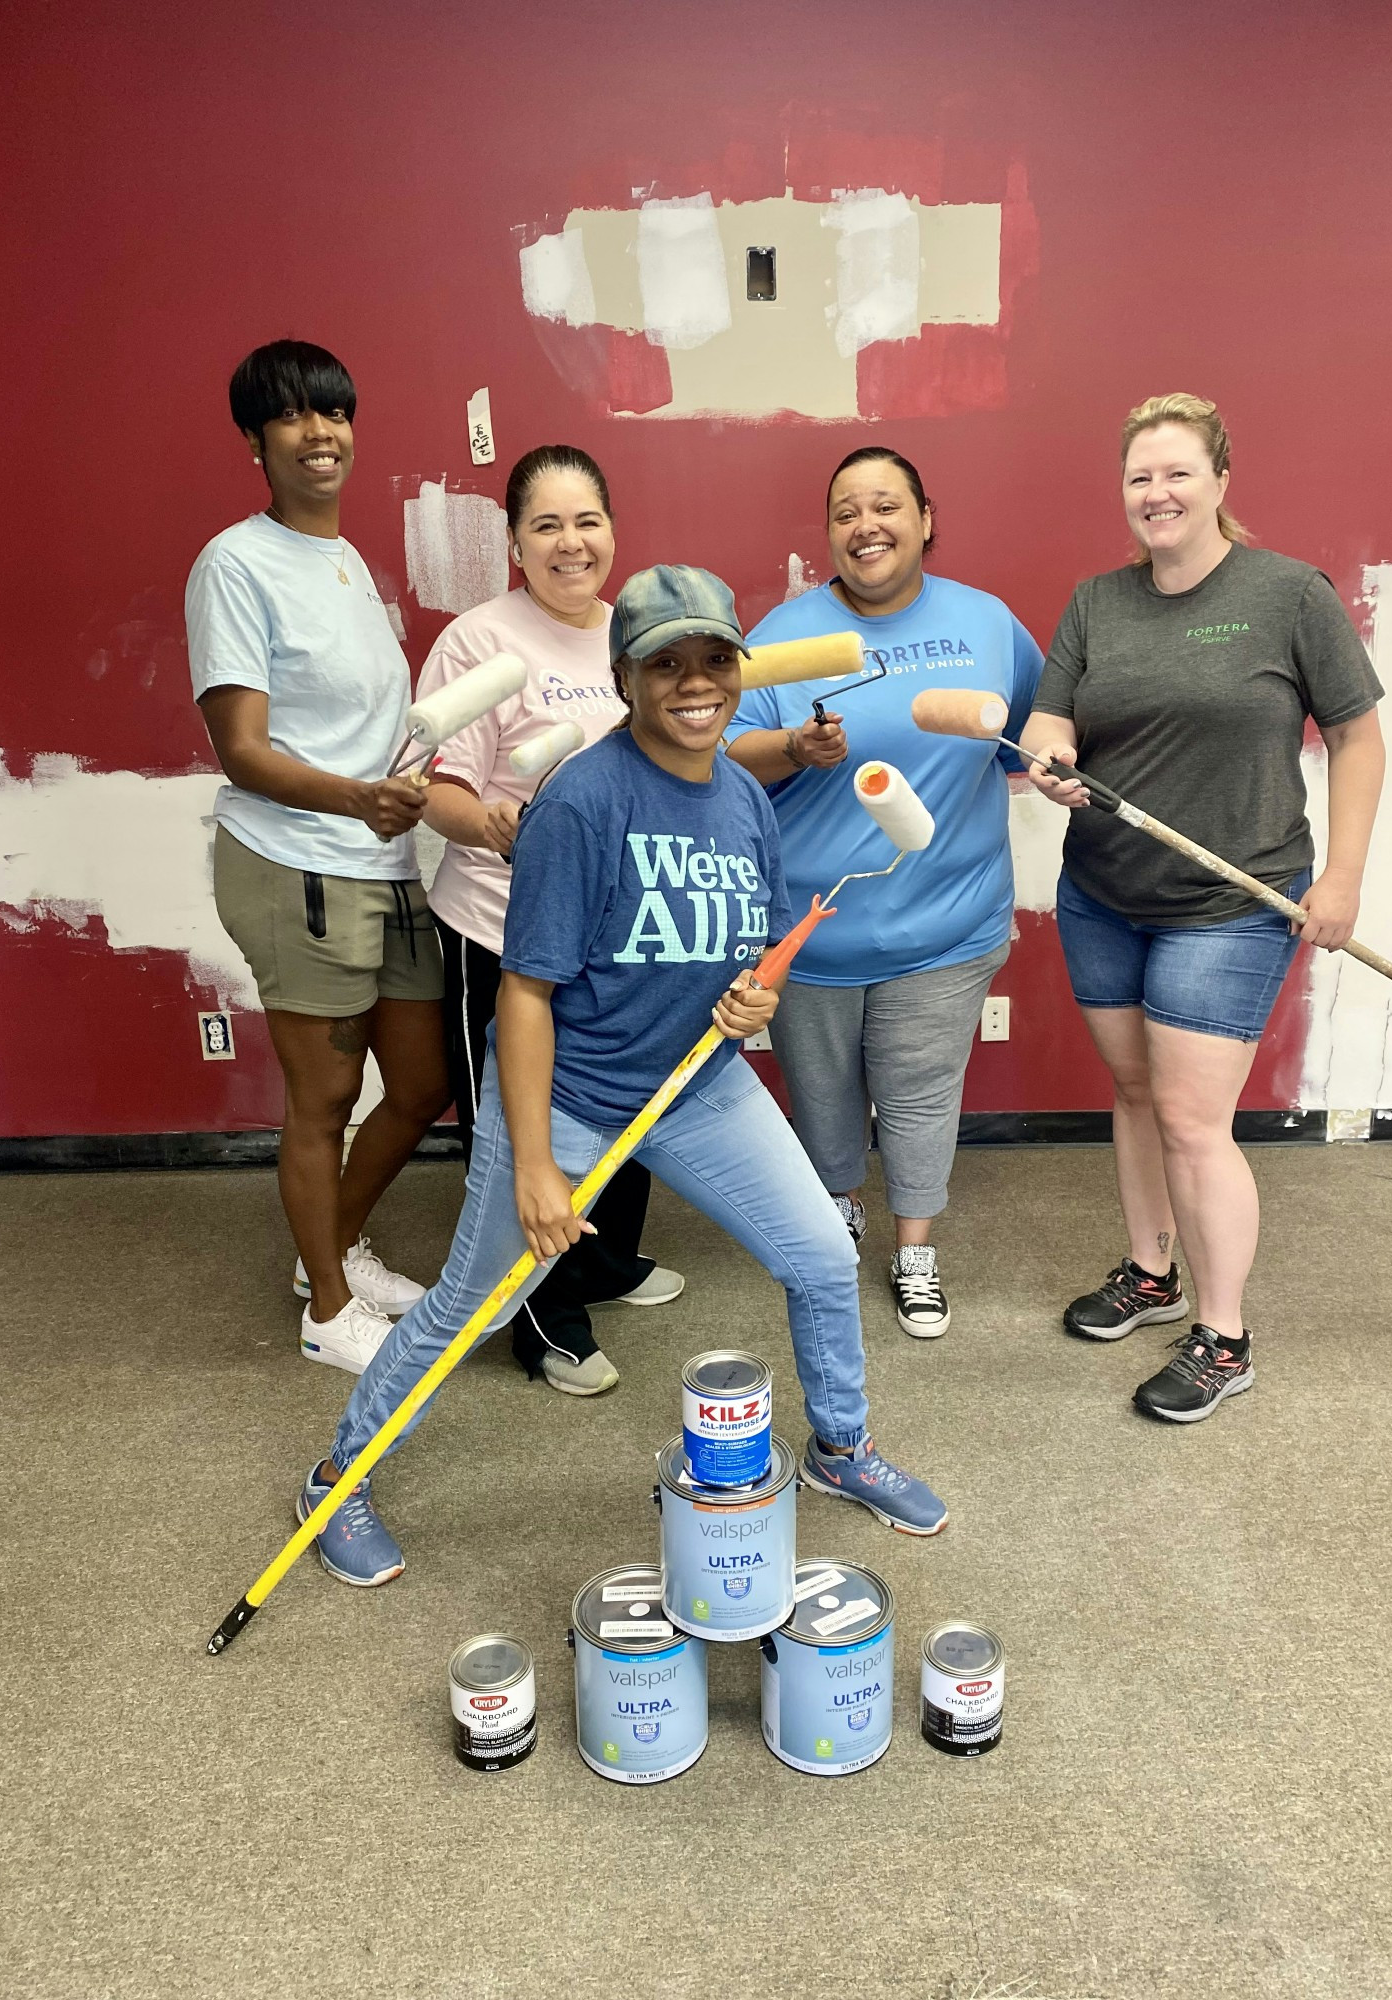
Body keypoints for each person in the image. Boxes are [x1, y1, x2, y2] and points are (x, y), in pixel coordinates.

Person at [296, 565, 949, 1587]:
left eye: (714, 659)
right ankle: (337, 1477)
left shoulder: (743, 796)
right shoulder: (582, 803)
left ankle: (840, 1450)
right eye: (666, 662)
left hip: (701, 1086)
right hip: (569, 1094)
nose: (696, 682)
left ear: (739, 669)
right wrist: (532, 1169)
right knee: (477, 1304)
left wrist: (753, 999)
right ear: (626, 676)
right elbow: (525, 993)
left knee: (823, 1255)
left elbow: (747, 948)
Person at [1021, 392, 1384, 1422]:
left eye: (1177, 472)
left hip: (1232, 899)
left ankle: (1224, 1337)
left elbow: (1359, 738)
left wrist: (1344, 877)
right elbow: (1056, 714)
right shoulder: (1098, 602)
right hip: (1102, 891)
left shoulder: (1288, 595)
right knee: (1137, 1097)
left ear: (1222, 481)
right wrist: (1052, 756)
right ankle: (1152, 1271)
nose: (1157, 492)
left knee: (1190, 1117)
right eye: (1140, 476)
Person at [727, 448, 1042, 1339]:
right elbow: (726, 757)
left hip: (947, 923)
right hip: (814, 931)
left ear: (926, 518)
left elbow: (1032, 736)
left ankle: (915, 1251)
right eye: (845, 511)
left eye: (886, 505)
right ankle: (838, 1213)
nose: (865, 525)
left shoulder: (988, 625)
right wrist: (795, 747)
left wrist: (1056, 762)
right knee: (821, 1097)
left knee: (919, 1096)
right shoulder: (787, 633)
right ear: (829, 532)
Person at [186, 339, 450, 1375]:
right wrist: (359, 797)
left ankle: (325, 1245)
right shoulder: (235, 562)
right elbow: (242, 750)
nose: (320, 433)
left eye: (333, 412)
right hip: (296, 860)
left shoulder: (342, 560)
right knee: (324, 1099)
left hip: (378, 860)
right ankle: (328, 1307)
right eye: (292, 416)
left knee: (424, 1083)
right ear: (256, 440)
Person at [417, 444, 683, 1398]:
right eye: (546, 526)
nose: (571, 544)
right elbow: (437, 789)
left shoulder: (638, 632)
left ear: (612, 528)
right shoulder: (479, 641)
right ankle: (541, 1320)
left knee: (619, 1108)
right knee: (517, 1134)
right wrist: (484, 821)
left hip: (614, 935)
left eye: (587, 522)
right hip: (499, 925)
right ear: (515, 543)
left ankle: (604, 1266)